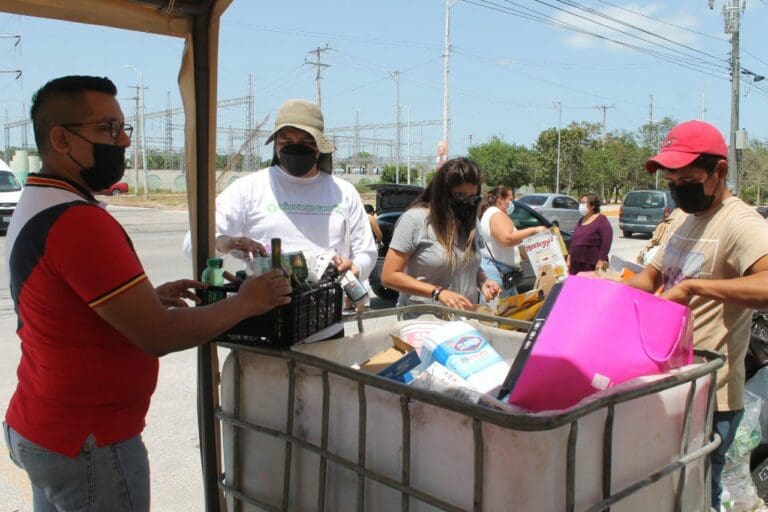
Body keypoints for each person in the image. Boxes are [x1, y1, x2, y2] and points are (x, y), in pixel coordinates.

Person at [2, 76, 292, 512]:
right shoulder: (79, 222)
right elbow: (159, 336)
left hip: (46, 425)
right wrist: (247, 302)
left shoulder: (39, 200)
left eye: (123, 129)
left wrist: (144, 298)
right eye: (106, 130)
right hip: (89, 442)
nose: (122, 142)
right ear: (60, 139)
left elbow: (65, 304)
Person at [625, 120, 768, 510]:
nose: (677, 190)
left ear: (719, 171)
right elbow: (650, 279)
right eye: (671, 182)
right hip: (667, 383)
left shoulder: (740, 223)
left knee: (696, 496)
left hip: (710, 396)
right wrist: (599, 283)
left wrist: (696, 287)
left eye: (686, 179)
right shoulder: (684, 221)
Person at [184, 98, 377, 330]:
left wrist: (354, 268)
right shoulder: (249, 188)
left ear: (319, 145)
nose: (295, 147)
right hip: (262, 325)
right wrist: (225, 242)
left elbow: (367, 251)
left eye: (306, 141)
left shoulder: (343, 192)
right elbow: (190, 244)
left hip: (325, 323)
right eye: (286, 140)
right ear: (275, 143)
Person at [381, 157, 500, 309]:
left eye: (472, 198)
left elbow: (464, 263)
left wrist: (483, 282)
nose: (466, 203)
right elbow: (389, 276)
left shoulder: (470, 223)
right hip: (424, 322)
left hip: (463, 322)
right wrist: (438, 293)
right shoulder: (415, 220)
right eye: (460, 196)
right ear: (443, 194)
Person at [476, 185, 546, 298]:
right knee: (498, 313)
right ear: (500, 200)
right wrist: (534, 230)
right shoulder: (496, 214)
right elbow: (507, 239)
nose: (512, 204)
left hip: (504, 275)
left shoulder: (493, 214)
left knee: (509, 313)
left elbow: (509, 243)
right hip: (498, 274)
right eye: (510, 199)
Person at [567, 194, 613, 275]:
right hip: (576, 264)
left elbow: (606, 241)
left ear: (593, 206)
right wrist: (570, 255)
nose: (581, 205)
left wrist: (601, 260)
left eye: (584, 203)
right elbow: (575, 239)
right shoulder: (581, 220)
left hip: (590, 264)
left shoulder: (601, 220)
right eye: (580, 202)